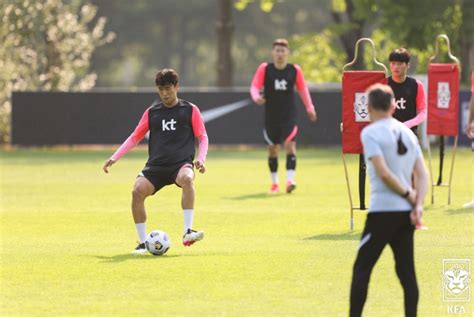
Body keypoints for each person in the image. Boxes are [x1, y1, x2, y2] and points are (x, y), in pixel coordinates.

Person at [102, 68, 208, 254]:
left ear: (177, 87)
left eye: (168, 88)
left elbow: (203, 136)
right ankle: (143, 243)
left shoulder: (190, 110)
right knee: (137, 192)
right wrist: (114, 157)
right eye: (161, 89)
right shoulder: (152, 113)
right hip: (156, 167)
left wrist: (200, 159)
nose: (165, 93)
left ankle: (187, 231)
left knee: (188, 179)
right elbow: (135, 137)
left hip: (180, 164)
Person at [349, 84, 428, 317]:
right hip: (406, 214)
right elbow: (422, 174)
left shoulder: (370, 132)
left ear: (370, 106)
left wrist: (408, 195)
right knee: (407, 274)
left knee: (362, 269)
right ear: (393, 106)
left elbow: (383, 173)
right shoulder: (408, 134)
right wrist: (418, 204)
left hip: (382, 212)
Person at [250, 38, 317, 194]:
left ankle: (290, 180)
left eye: (283, 50)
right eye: (277, 50)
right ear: (273, 53)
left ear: (288, 53)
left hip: (289, 116)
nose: (280, 53)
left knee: (290, 146)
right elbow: (254, 86)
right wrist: (256, 97)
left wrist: (310, 107)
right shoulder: (265, 69)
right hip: (271, 117)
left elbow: (303, 89)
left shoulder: (294, 70)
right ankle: (275, 183)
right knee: (273, 150)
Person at [388, 48, 427, 135]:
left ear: (407, 65)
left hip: (410, 133)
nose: (395, 67)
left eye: (400, 64)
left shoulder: (416, 85)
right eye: (393, 63)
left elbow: (423, 112)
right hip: (389, 133)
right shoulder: (383, 84)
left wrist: (407, 124)